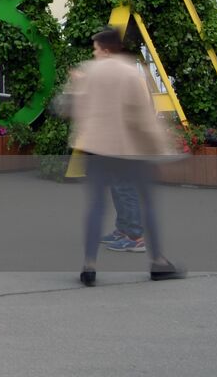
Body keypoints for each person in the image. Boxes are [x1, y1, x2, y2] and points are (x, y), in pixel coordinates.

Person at [67, 27, 186, 286]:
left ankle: (89, 266)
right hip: (127, 150)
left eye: (96, 48)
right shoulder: (131, 73)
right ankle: (158, 263)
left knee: (96, 207)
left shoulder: (88, 73)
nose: (94, 52)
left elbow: (77, 109)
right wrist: (161, 151)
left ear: (107, 48)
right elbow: (143, 118)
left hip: (95, 149)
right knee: (148, 204)